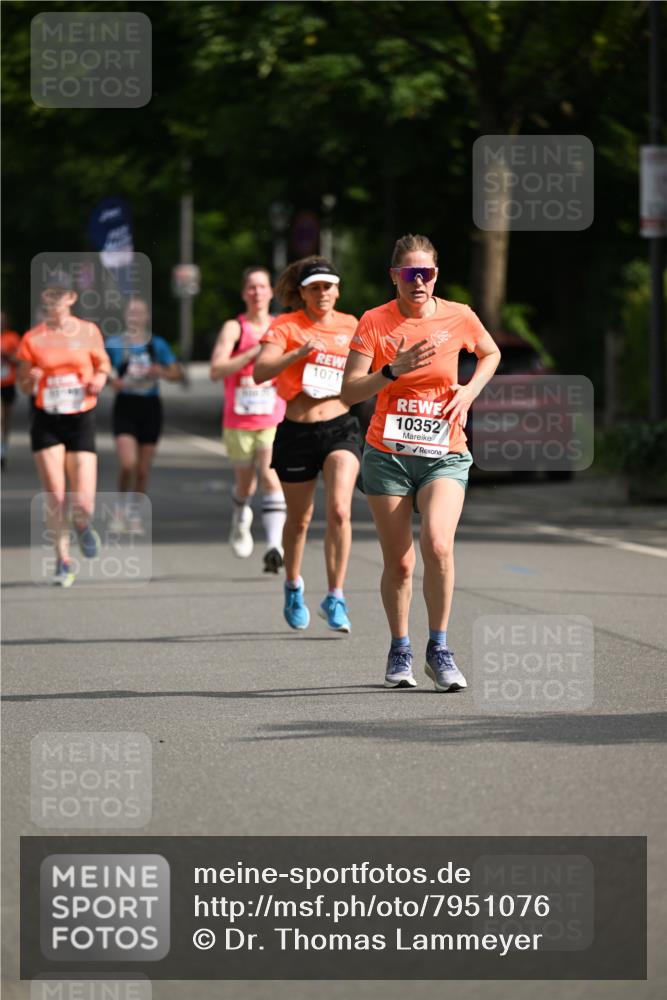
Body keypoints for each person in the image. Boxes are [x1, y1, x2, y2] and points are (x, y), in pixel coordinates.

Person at [341, 233, 501, 690]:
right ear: (395, 276)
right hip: (388, 455)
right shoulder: (375, 322)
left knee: (439, 544)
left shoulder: (459, 316)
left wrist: (469, 392)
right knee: (401, 563)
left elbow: (490, 353)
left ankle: (439, 648)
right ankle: (400, 648)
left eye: (426, 273)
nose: (419, 282)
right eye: (410, 273)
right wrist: (393, 369)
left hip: (444, 451)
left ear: (435, 276)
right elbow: (349, 391)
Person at [253, 256, 361, 632]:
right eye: (314, 287)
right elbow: (259, 372)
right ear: (302, 292)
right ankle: (294, 585)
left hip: (340, 427)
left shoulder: (352, 325)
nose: (322, 293)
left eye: (328, 286)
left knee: (339, 511)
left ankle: (336, 595)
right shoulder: (286, 326)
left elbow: (373, 371)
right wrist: (298, 352)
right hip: (297, 430)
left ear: (337, 290)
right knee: (299, 520)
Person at [16, 271, 111, 587]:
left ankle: (83, 525)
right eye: (50, 294)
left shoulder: (88, 331)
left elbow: (103, 365)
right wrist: (32, 377)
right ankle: (63, 560)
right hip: (46, 419)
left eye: (62, 294)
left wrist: (98, 379)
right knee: (56, 495)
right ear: (44, 298)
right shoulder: (33, 338)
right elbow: (22, 382)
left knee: (83, 502)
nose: (56, 300)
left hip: (80, 418)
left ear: (71, 298)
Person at [210, 267, 287, 572]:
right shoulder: (235, 328)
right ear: (244, 294)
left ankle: (274, 545)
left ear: (271, 292)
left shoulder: (282, 327)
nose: (257, 292)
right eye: (251, 288)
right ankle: (241, 514)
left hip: (273, 414)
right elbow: (216, 370)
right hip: (239, 419)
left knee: (270, 474)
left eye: (262, 287)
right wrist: (254, 353)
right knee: (246, 485)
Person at [105, 298, 182, 533]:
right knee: (128, 463)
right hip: (125, 406)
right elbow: (100, 366)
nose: (136, 317)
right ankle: (120, 509)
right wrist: (111, 380)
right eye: (132, 312)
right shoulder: (114, 343)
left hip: (150, 407)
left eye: (140, 312)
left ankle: (135, 513)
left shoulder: (156, 344)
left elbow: (176, 372)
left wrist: (161, 371)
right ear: (125, 316)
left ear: (147, 316)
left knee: (143, 469)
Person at [1, 311, 21, 469]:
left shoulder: (12, 337)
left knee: (6, 418)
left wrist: (7, 356)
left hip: (7, 383)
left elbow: (21, 360)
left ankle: (3, 449)